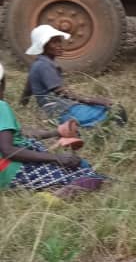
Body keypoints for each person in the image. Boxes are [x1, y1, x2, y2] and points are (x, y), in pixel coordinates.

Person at [0, 61, 105, 195]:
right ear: (2, 84)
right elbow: (7, 149)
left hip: (5, 174)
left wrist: (56, 132)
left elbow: (18, 134)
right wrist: (55, 158)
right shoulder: (1, 106)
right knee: (89, 177)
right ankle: (54, 197)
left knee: (79, 166)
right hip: (13, 170)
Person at [22, 25, 126, 126]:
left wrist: (22, 105)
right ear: (42, 45)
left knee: (108, 108)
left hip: (56, 110)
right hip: (61, 111)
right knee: (114, 111)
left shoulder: (37, 64)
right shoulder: (45, 66)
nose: (59, 45)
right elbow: (61, 92)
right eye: (54, 42)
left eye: (59, 41)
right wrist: (91, 100)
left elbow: (28, 87)